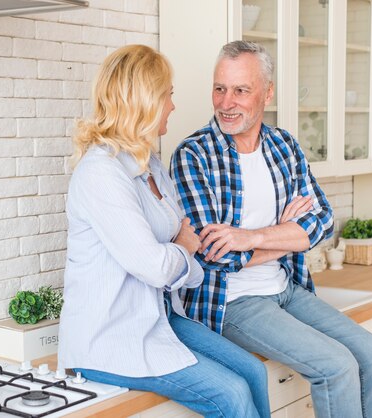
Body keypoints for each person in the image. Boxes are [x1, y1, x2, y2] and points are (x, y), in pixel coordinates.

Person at [171, 40, 372, 418]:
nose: (226, 103)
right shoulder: (194, 155)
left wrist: (253, 236)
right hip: (232, 302)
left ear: (268, 92)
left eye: (241, 90)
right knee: (336, 366)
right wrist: (288, 235)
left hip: (286, 288)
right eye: (220, 88)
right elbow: (216, 259)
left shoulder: (283, 146)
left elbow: (322, 220)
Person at [57, 44, 271, 418]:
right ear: (145, 101)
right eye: (167, 95)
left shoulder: (150, 164)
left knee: (253, 371)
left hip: (159, 319)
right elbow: (161, 265)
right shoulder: (101, 173)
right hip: (111, 340)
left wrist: (180, 252)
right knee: (232, 394)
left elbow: (182, 260)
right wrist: (181, 250)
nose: (173, 105)